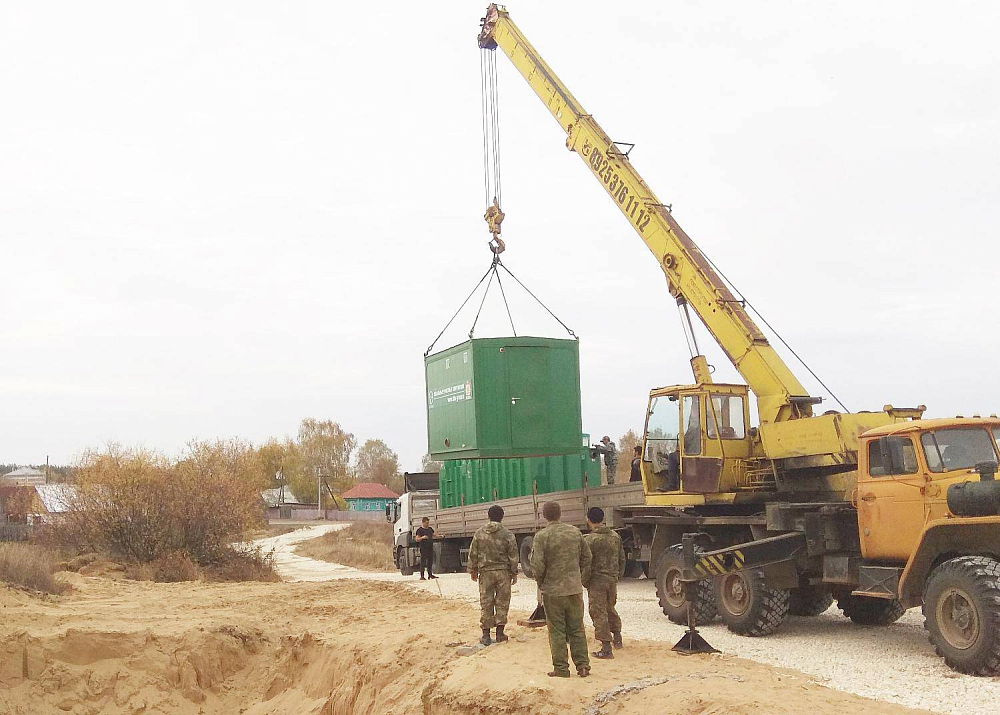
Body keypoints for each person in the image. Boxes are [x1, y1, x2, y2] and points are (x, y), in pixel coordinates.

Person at [529, 500, 592, 678]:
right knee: (577, 628)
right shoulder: (575, 532)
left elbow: (538, 566)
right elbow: (587, 557)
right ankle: (583, 666)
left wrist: (540, 583)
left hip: (553, 591)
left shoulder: (542, 536)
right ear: (560, 513)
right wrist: (580, 578)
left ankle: (561, 669)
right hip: (574, 588)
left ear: (544, 515)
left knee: (556, 630)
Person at [467, 504, 518, 646]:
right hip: (503, 573)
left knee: (486, 602)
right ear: (502, 517)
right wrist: (514, 572)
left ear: (488, 516)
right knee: (502, 601)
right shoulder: (508, 534)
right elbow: (513, 554)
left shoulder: (479, 533)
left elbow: (473, 553)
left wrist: (473, 570)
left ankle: (486, 635)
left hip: (486, 573)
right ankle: (500, 633)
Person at [583, 507, 626, 658]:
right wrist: (617, 575)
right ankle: (617, 637)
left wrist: (585, 580)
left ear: (588, 520)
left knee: (598, 611)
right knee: (610, 607)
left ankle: (606, 647)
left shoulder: (589, 540)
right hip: (612, 579)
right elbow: (622, 558)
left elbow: (586, 563)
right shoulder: (615, 536)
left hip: (597, 580)